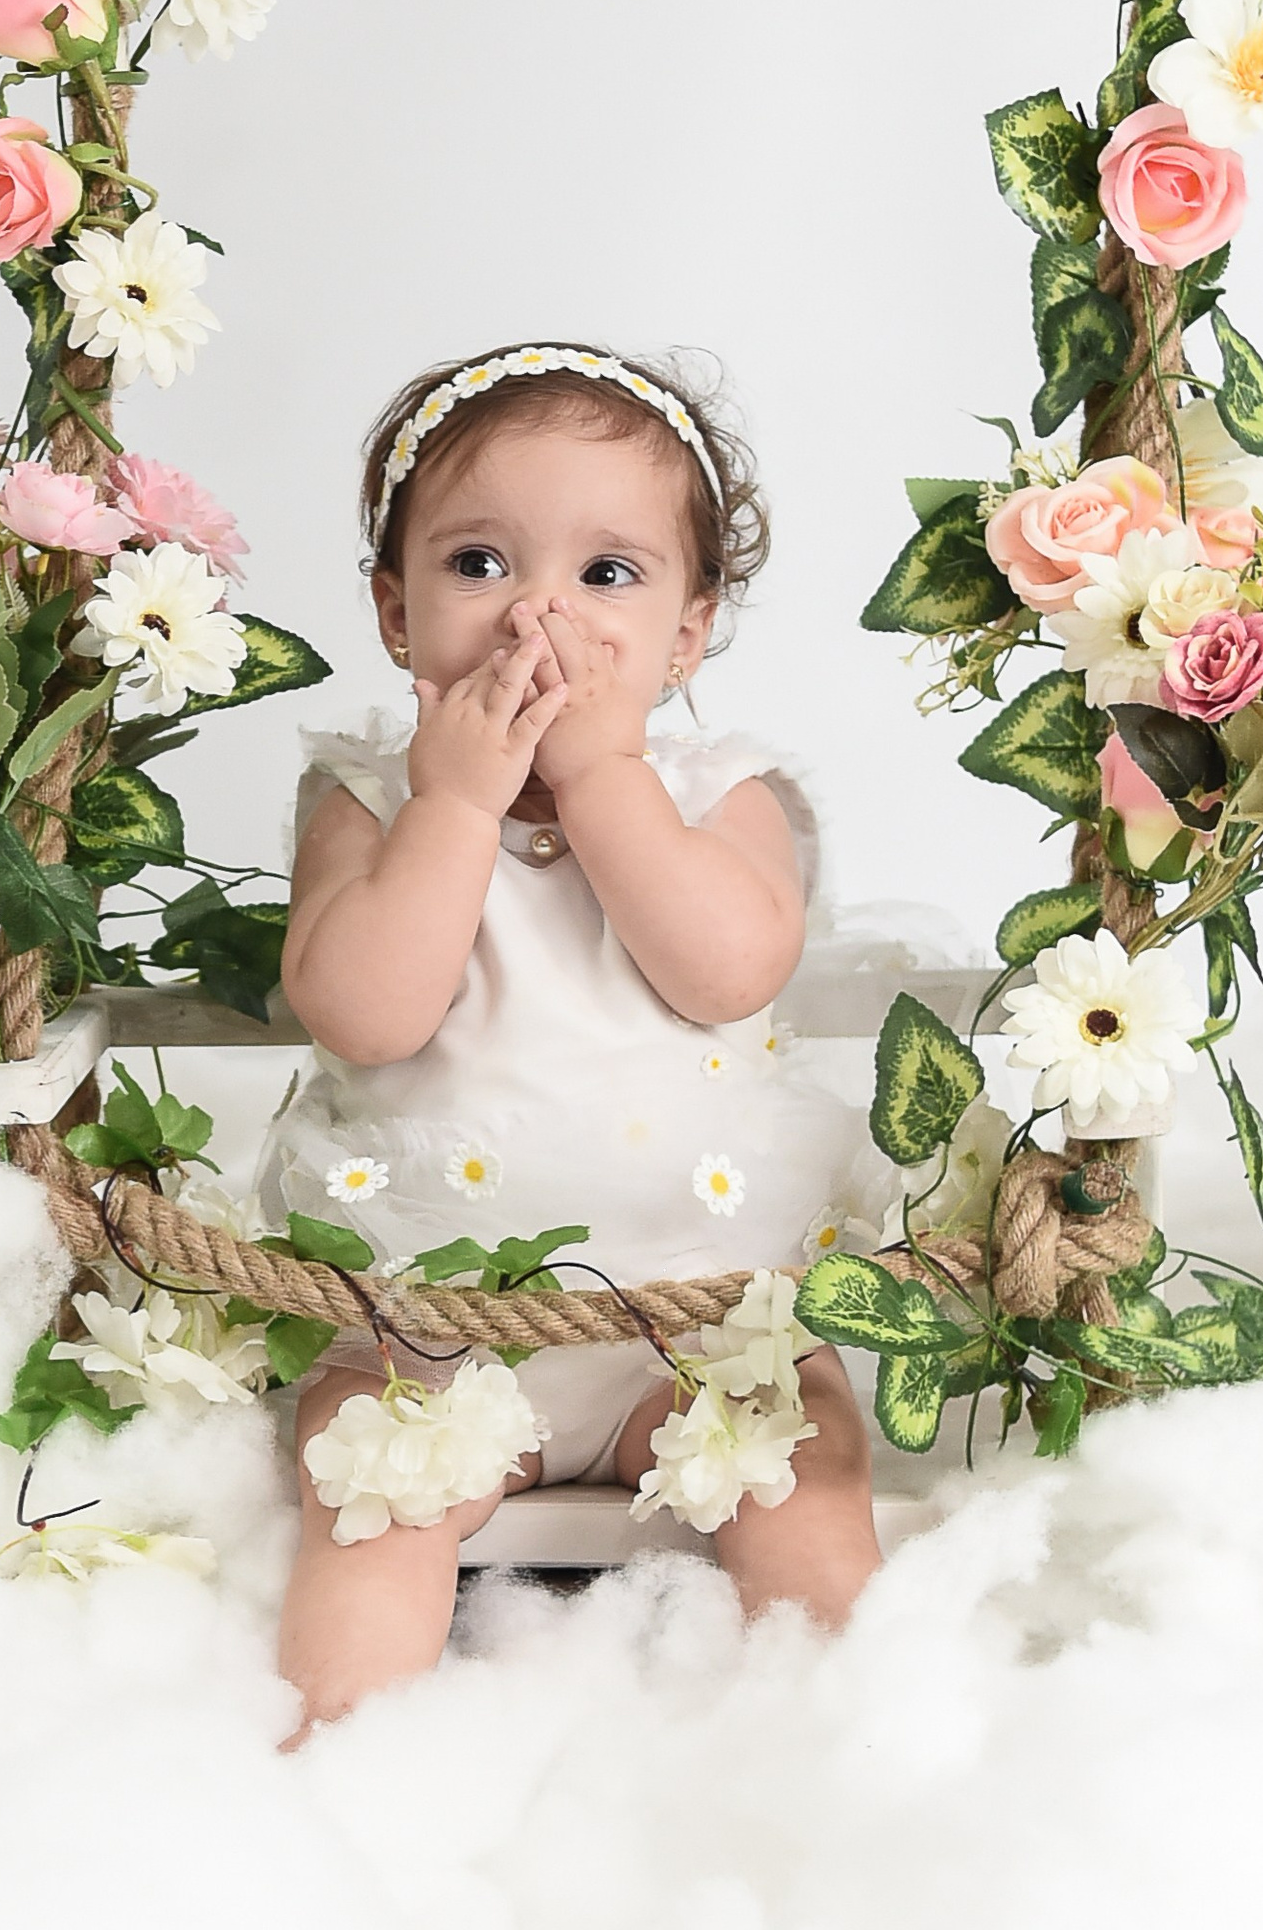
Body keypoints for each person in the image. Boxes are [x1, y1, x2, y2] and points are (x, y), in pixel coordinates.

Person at [266, 344, 881, 1731]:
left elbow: (726, 969)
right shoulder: (371, 798)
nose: (540, 613)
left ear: (688, 633)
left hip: (695, 1319)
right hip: (427, 1320)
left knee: (809, 1468)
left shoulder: (724, 794)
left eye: (609, 575)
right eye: (480, 563)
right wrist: (458, 808)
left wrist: (601, 776)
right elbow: (366, 1007)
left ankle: (849, 1753)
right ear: (394, 611)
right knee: (371, 1504)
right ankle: (334, 1784)